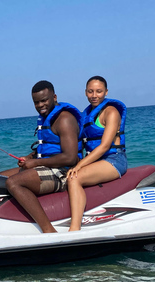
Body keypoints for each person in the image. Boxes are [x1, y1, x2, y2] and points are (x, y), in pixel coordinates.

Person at [0, 80, 82, 233]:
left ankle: (48, 230)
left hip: (64, 172)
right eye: (36, 102)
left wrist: (35, 163)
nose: (40, 105)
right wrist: (30, 157)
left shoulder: (64, 119)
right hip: (48, 166)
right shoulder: (46, 118)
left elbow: (70, 158)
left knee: (13, 183)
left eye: (44, 100)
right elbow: (48, 147)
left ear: (54, 97)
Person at [66, 76, 127, 231]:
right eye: (90, 91)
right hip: (95, 160)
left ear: (106, 92)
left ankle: (74, 229)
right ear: (85, 92)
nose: (94, 95)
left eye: (99, 91)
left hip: (114, 160)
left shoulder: (111, 112)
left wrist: (79, 166)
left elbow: (105, 146)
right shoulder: (86, 114)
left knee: (74, 178)